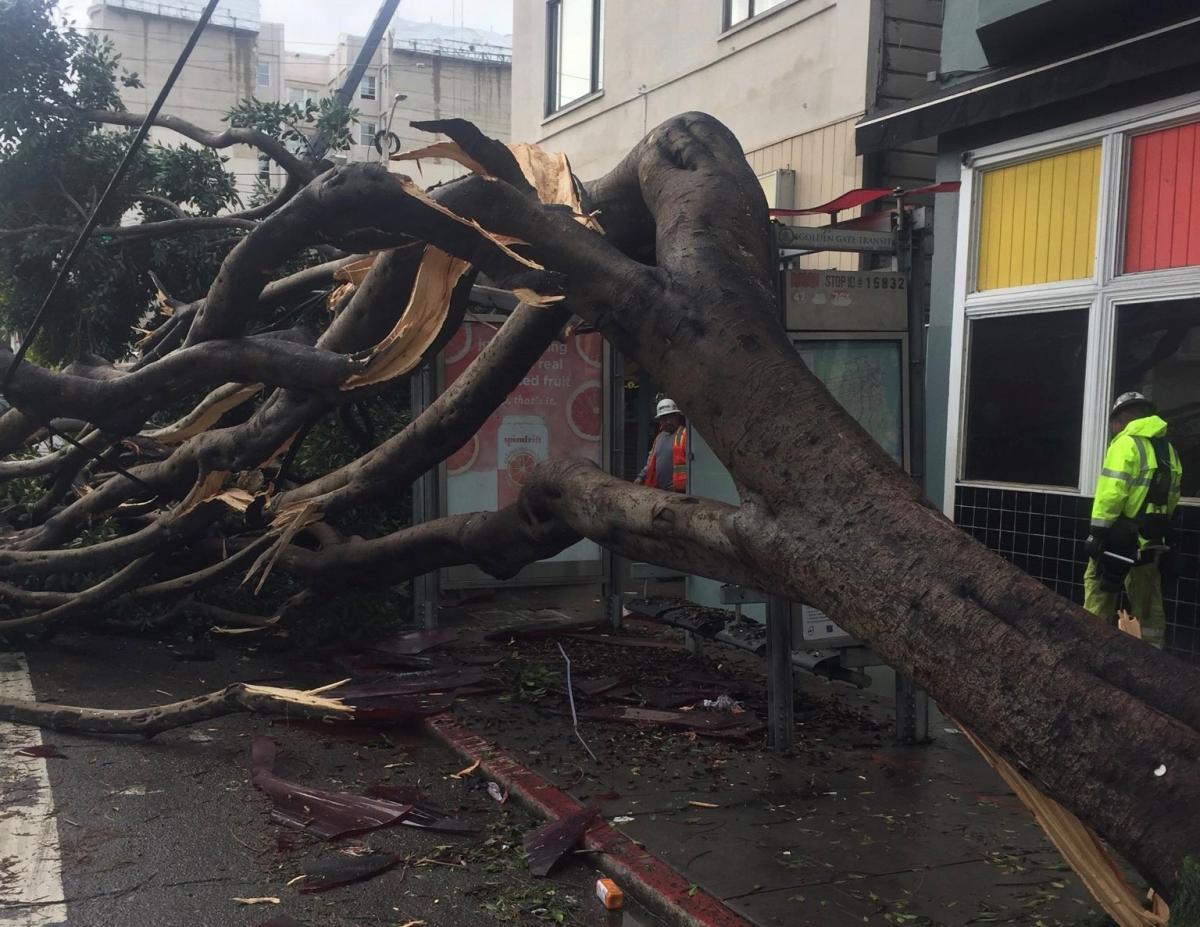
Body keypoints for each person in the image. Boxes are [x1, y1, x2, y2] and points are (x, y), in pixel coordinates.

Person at [1083, 392, 1182, 647]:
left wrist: (1097, 533)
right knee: (1147, 602)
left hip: (1117, 538)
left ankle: (1090, 649)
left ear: (1120, 419)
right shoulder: (1168, 450)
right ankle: (1153, 655)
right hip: (1151, 538)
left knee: (1098, 589)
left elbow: (1111, 493)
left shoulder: (1125, 444)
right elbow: (1171, 498)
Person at [637, 397, 688, 492]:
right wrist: (640, 477)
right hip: (660, 490)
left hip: (680, 491)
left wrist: (684, 485)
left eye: (671, 417)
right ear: (660, 420)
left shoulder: (685, 435)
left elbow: (695, 465)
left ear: (678, 417)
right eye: (664, 418)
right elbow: (650, 461)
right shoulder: (659, 437)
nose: (668, 421)